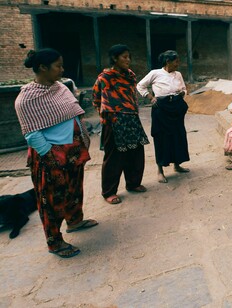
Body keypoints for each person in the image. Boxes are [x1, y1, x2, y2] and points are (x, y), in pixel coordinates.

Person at [15, 48, 98, 258]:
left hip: (73, 150)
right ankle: (55, 242)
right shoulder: (26, 99)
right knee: (51, 201)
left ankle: (75, 221)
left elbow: (71, 111)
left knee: (74, 189)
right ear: (42, 67)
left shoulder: (60, 87)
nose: (62, 69)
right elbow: (32, 133)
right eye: (58, 66)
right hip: (51, 156)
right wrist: (51, 157)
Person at [93, 44, 149, 204]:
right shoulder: (104, 78)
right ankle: (109, 192)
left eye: (129, 57)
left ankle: (133, 183)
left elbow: (132, 96)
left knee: (136, 153)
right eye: (124, 57)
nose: (128, 60)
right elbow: (96, 99)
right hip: (114, 121)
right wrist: (106, 115)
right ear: (114, 58)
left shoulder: (130, 76)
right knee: (114, 158)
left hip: (131, 119)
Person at [137, 50, 190, 183]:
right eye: (176, 61)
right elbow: (140, 86)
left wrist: (182, 93)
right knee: (161, 136)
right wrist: (150, 97)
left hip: (176, 107)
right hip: (161, 108)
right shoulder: (155, 73)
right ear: (168, 61)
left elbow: (184, 88)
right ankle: (160, 171)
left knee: (178, 135)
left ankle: (177, 165)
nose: (178, 64)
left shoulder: (178, 74)